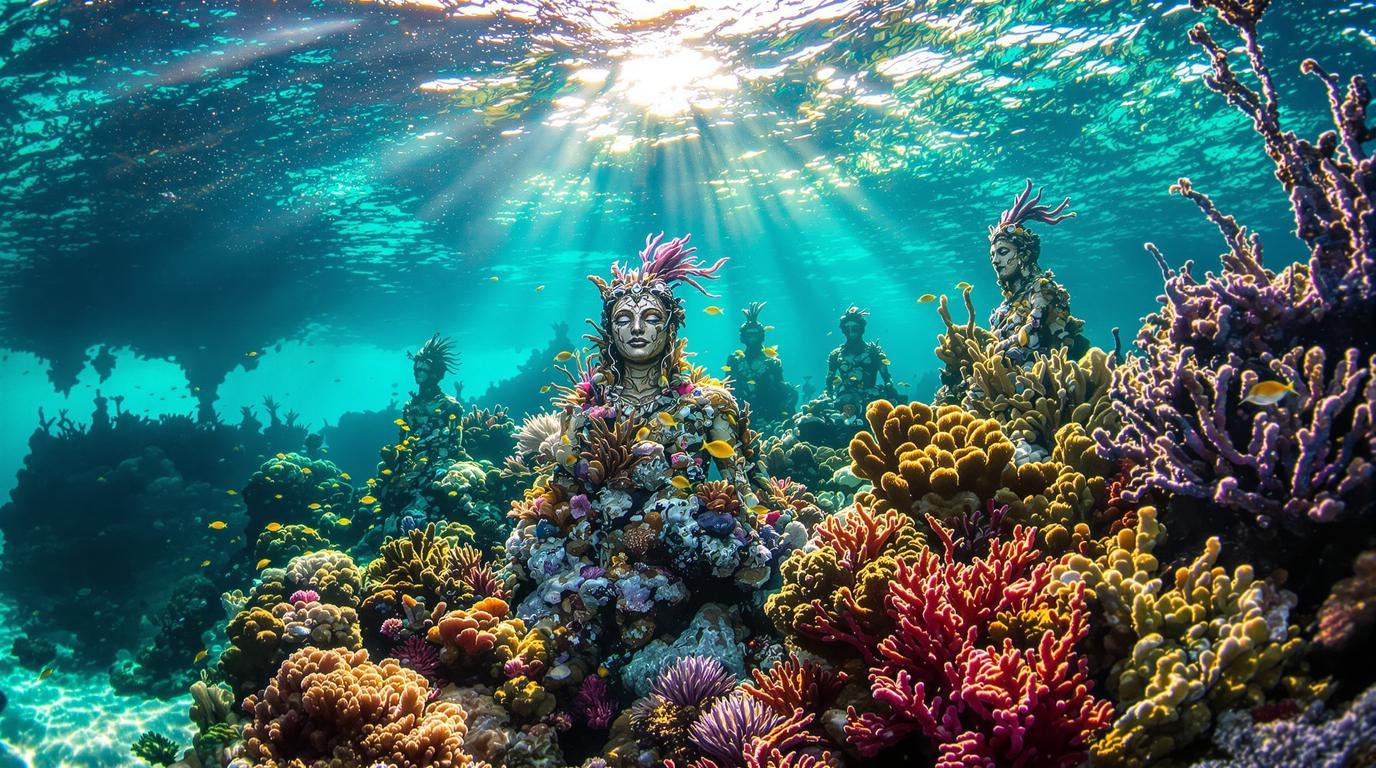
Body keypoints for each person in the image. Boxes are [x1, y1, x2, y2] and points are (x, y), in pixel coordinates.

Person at [725, 302, 796, 429]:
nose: (752, 337)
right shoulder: (734, 360)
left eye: (755, 333)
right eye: (749, 334)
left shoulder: (772, 362)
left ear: (761, 336)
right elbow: (728, 387)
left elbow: (781, 390)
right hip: (740, 412)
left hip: (770, 414)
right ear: (743, 337)